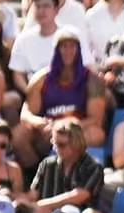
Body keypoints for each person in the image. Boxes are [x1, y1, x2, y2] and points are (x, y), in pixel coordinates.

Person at [17, 29, 106, 170]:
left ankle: (78, 172)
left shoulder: (92, 79)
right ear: (56, 50)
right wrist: (39, 123)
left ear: (79, 50)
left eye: (72, 46)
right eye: (63, 46)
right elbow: (26, 113)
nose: (68, 51)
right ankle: (35, 172)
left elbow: (96, 119)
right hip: (47, 129)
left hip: (78, 128)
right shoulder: (41, 79)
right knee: (19, 135)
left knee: (96, 134)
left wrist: (66, 126)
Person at [22, 119, 105, 213]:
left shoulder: (93, 167)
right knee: (41, 212)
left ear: (76, 144)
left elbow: (80, 195)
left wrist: (45, 204)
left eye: (61, 145)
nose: (55, 148)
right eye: (54, 143)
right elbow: (33, 194)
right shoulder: (47, 165)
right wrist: (18, 198)